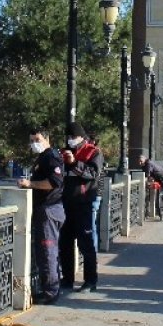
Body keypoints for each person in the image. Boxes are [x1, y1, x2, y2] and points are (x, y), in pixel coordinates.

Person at [17, 128, 65, 305]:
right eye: (31, 140)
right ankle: (50, 288)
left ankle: (50, 292)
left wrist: (30, 183)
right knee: (47, 252)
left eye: (37, 139)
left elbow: (54, 182)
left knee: (47, 252)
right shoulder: (44, 156)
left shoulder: (50, 156)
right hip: (48, 210)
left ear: (47, 138)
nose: (33, 144)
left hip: (49, 210)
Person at [58, 122, 103, 293]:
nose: (70, 140)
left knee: (86, 244)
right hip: (66, 203)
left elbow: (93, 173)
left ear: (82, 137)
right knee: (65, 244)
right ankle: (67, 279)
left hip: (84, 203)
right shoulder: (63, 152)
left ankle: (91, 281)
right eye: (68, 137)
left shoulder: (93, 152)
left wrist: (74, 163)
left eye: (73, 137)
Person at [139, 153, 163, 221]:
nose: (139, 163)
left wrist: (148, 182)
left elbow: (148, 175)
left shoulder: (148, 163)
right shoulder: (145, 164)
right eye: (139, 161)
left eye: (141, 161)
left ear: (145, 159)